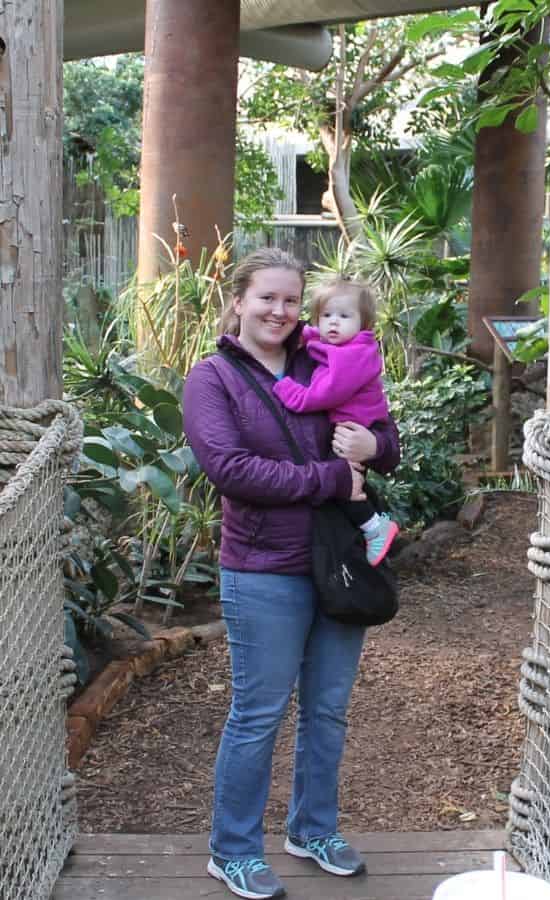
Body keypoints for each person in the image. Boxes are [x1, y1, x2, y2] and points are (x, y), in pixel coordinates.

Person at [182, 248, 402, 900]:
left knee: (328, 711)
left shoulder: (325, 359)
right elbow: (233, 471)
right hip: (263, 570)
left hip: (336, 562)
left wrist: (374, 446)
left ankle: (311, 829)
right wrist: (335, 475)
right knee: (259, 713)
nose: (278, 311)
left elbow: (383, 436)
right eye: (265, 298)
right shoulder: (213, 379)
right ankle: (234, 850)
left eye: (288, 300)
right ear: (238, 302)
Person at [272, 277, 400, 565]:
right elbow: (315, 337)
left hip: (353, 428)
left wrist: (283, 388)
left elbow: (322, 395)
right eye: (326, 316)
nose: (333, 323)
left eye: (344, 316)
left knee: (342, 485)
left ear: (364, 323)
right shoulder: (342, 345)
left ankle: (374, 527)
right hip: (349, 425)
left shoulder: (354, 356)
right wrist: (305, 334)